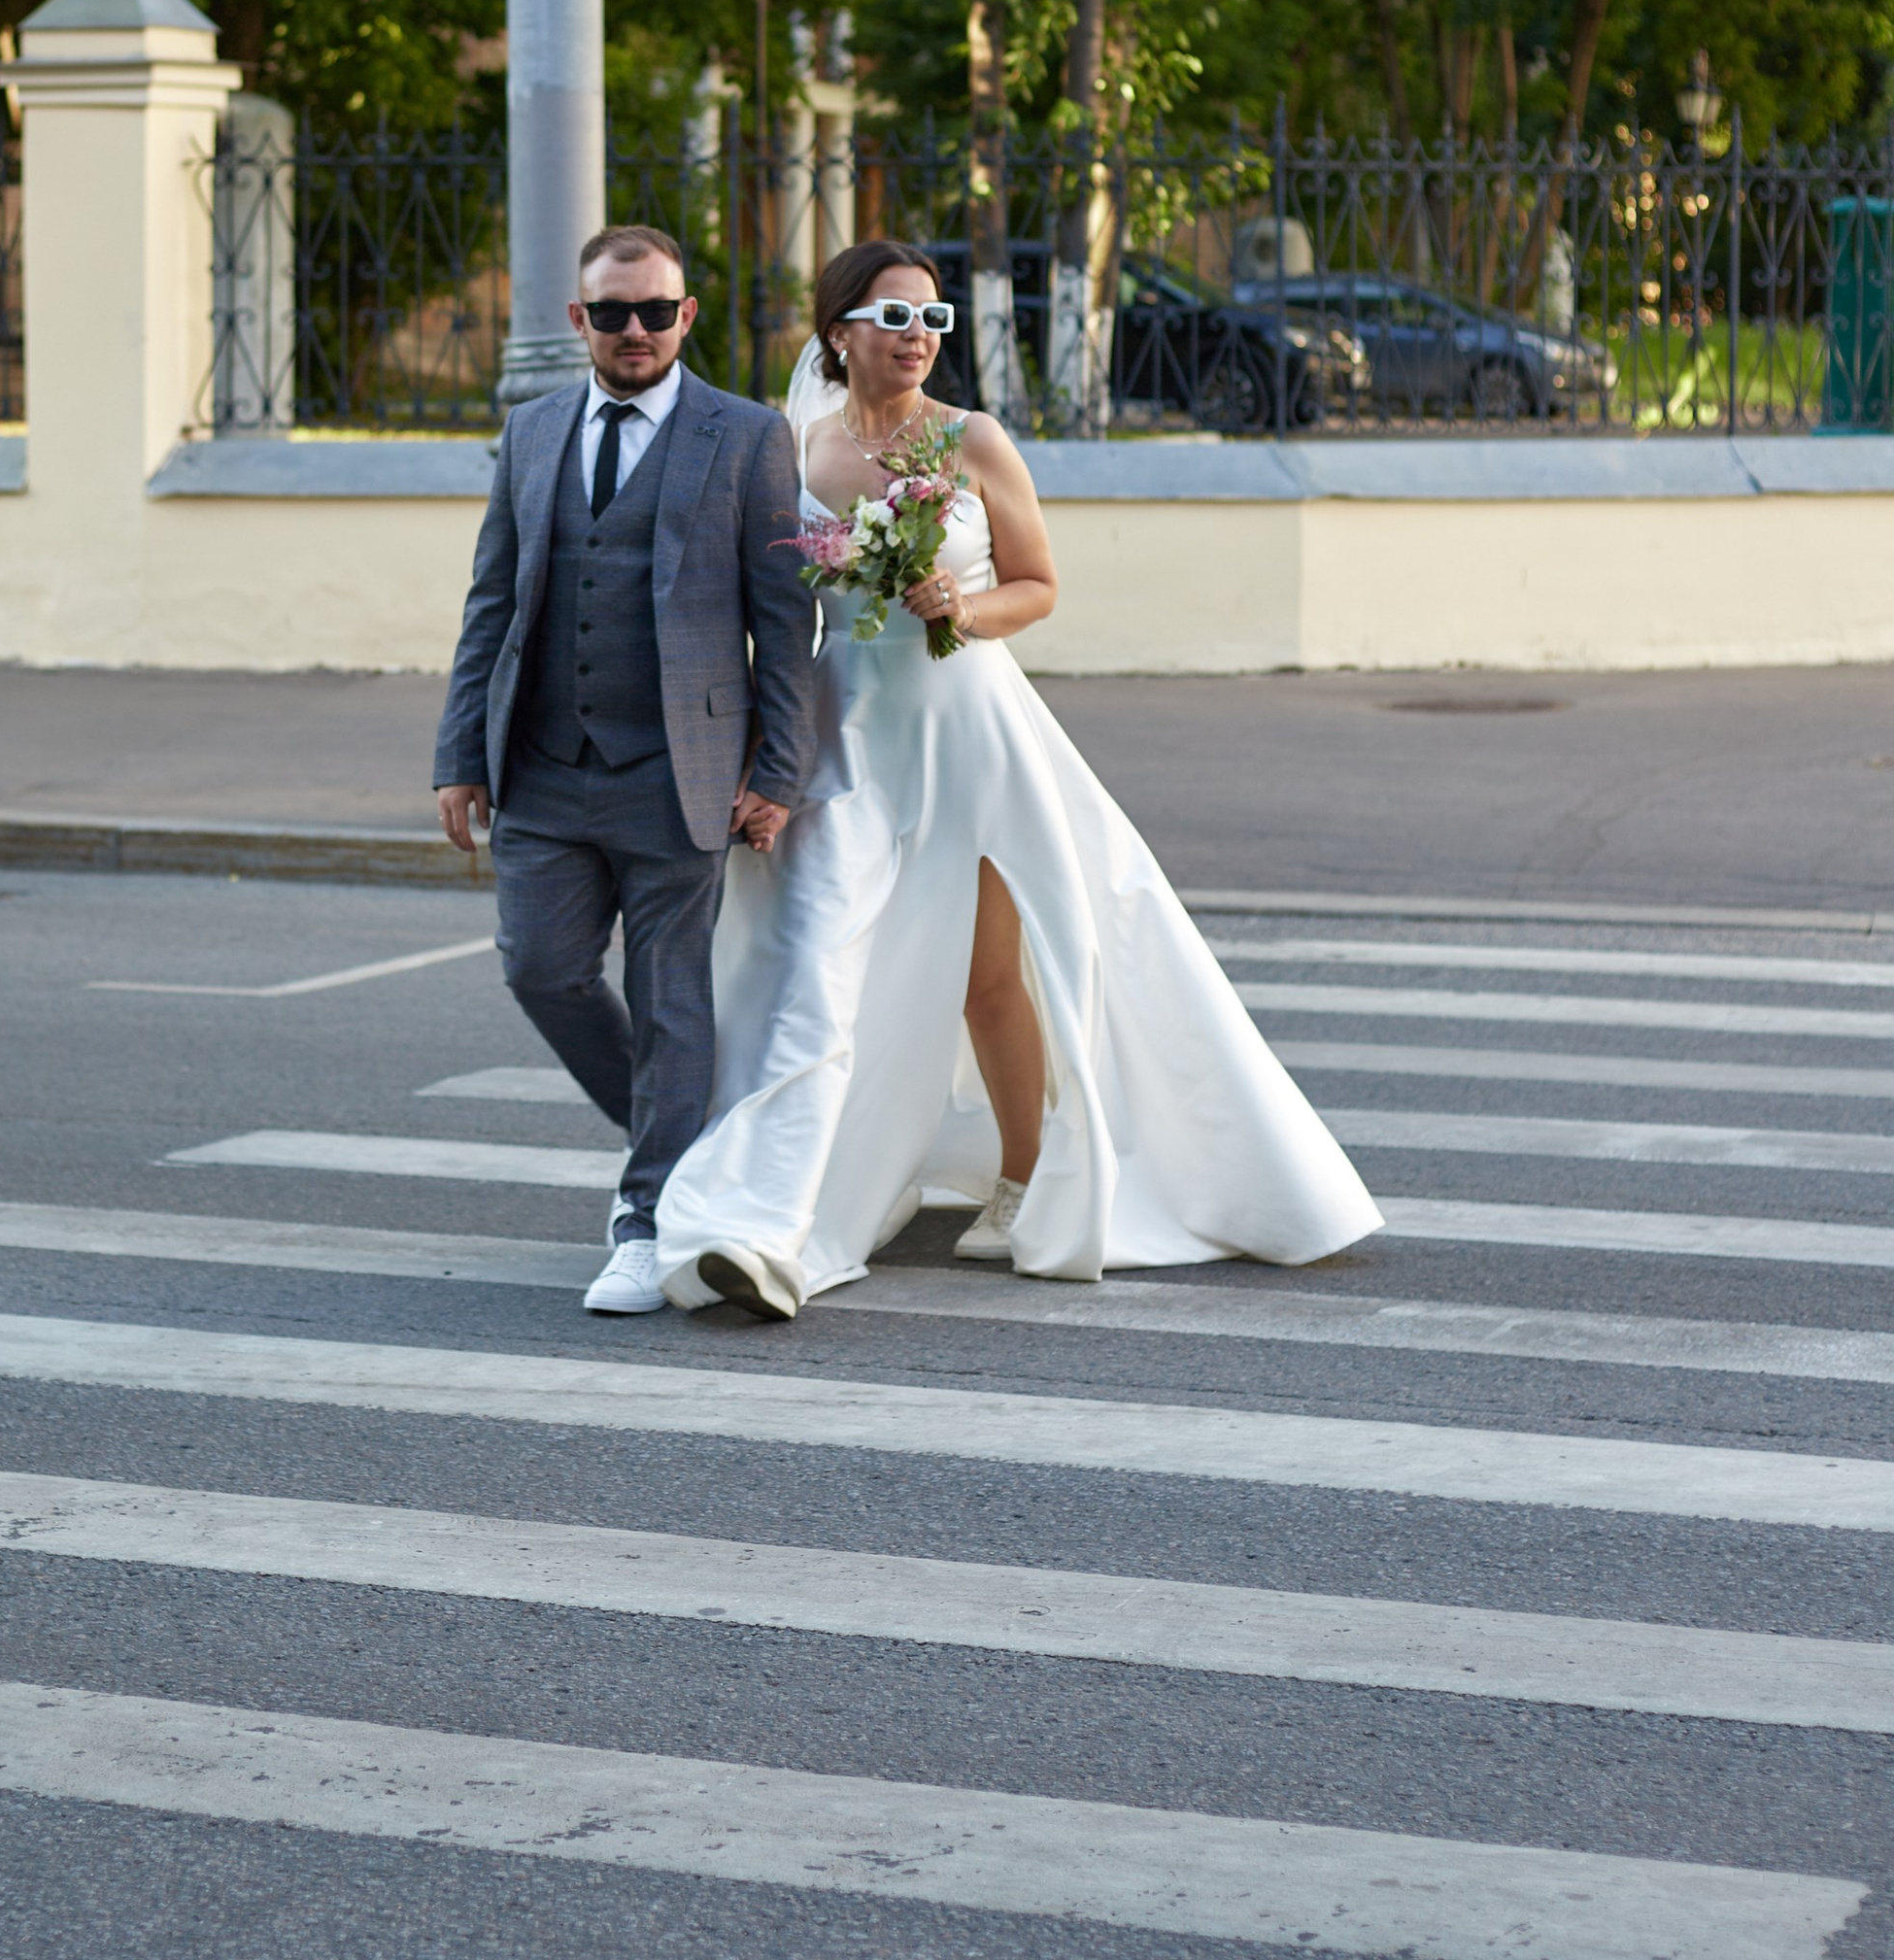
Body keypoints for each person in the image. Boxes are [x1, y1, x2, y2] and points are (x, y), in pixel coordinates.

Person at [653, 235, 1380, 1319]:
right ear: (839, 330)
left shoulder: (972, 441)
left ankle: (1027, 1178)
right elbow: (755, 615)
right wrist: (756, 758)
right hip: (845, 736)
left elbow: (1036, 584)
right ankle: (771, 1222)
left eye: (933, 322)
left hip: (972, 722)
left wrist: (961, 608)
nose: (917, 341)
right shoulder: (788, 453)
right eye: (894, 319)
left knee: (997, 973)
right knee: (816, 970)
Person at [434, 224, 818, 1313]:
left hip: (681, 769)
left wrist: (777, 772)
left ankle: (647, 1213)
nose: (636, 330)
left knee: (670, 1001)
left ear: (687, 316)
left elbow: (780, 625)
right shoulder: (532, 431)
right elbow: (492, 603)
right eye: (613, 313)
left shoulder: (745, 438)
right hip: (545, 765)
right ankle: (682, 1140)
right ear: (579, 323)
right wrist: (460, 752)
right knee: (538, 969)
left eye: (655, 310)